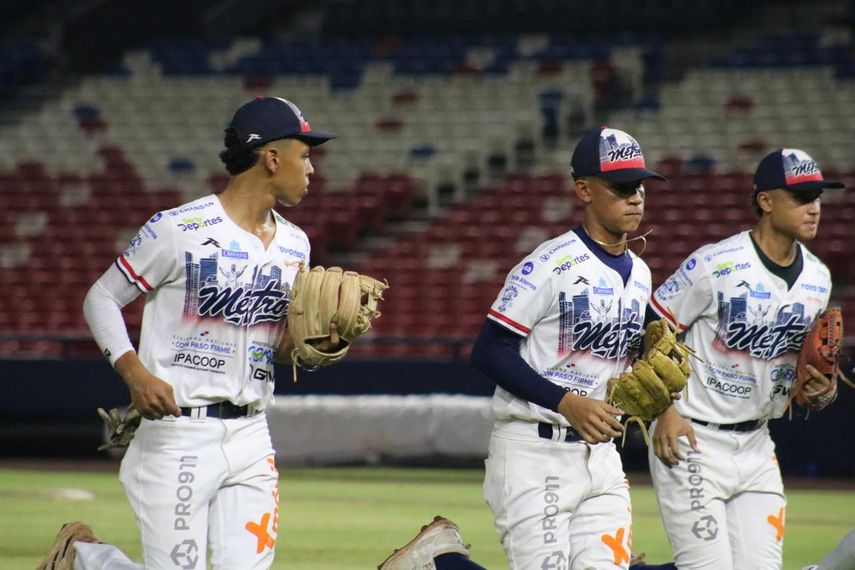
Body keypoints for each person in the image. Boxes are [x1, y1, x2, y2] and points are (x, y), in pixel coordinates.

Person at [39, 96, 338, 569]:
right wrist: (134, 373)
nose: (311, 169)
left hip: (252, 434)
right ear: (272, 157)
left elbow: (271, 342)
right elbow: (101, 298)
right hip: (178, 435)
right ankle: (87, 562)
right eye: (305, 155)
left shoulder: (295, 243)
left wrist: (317, 346)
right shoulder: (179, 229)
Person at [470, 126, 669, 569]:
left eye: (639, 185)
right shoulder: (549, 263)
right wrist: (565, 401)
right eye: (620, 187)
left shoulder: (640, 273)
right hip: (532, 451)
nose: (636, 197)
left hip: (602, 457)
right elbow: (488, 350)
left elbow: (646, 354)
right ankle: (443, 562)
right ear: (584, 189)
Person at [646, 148, 845, 570]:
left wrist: (817, 389)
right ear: (765, 201)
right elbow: (652, 326)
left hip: (757, 445)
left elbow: (798, 372)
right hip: (692, 440)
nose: (814, 208)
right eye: (801, 197)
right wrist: (663, 410)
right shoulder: (715, 264)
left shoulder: (818, 277)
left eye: (818, 197)